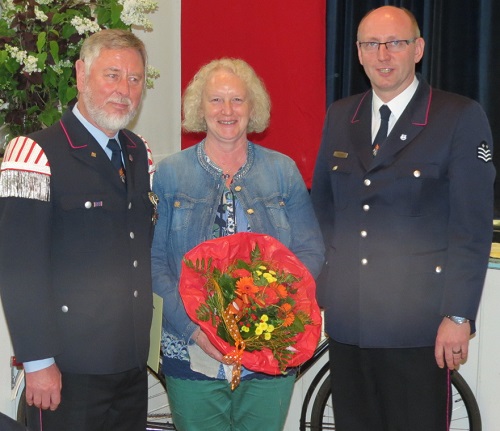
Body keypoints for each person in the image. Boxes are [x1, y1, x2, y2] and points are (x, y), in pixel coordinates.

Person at [311, 6, 495, 431]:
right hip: (348, 321)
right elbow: (323, 212)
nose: (383, 55)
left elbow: (470, 228)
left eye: (395, 43)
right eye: (371, 44)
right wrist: (319, 292)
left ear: (419, 49)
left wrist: (458, 315)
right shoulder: (342, 115)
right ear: (358, 53)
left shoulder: (458, 117)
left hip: (419, 326)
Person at [151, 57, 325, 431]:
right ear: (200, 108)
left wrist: (275, 309)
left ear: (253, 108)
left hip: (270, 348)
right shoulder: (169, 174)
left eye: (237, 100)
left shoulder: (283, 170)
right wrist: (193, 329)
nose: (226, 111)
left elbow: (310, 250)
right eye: (215, 100)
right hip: (191, 349)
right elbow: (156, 263)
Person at [0, 29, 156, 431]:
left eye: (135, 79)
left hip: (132, 364)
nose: (124, 89)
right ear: (82, 74)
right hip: (68, 369)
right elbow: (19, 267)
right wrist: (37, 361)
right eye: (112, 75)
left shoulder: (140, 154)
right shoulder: (32, 153)